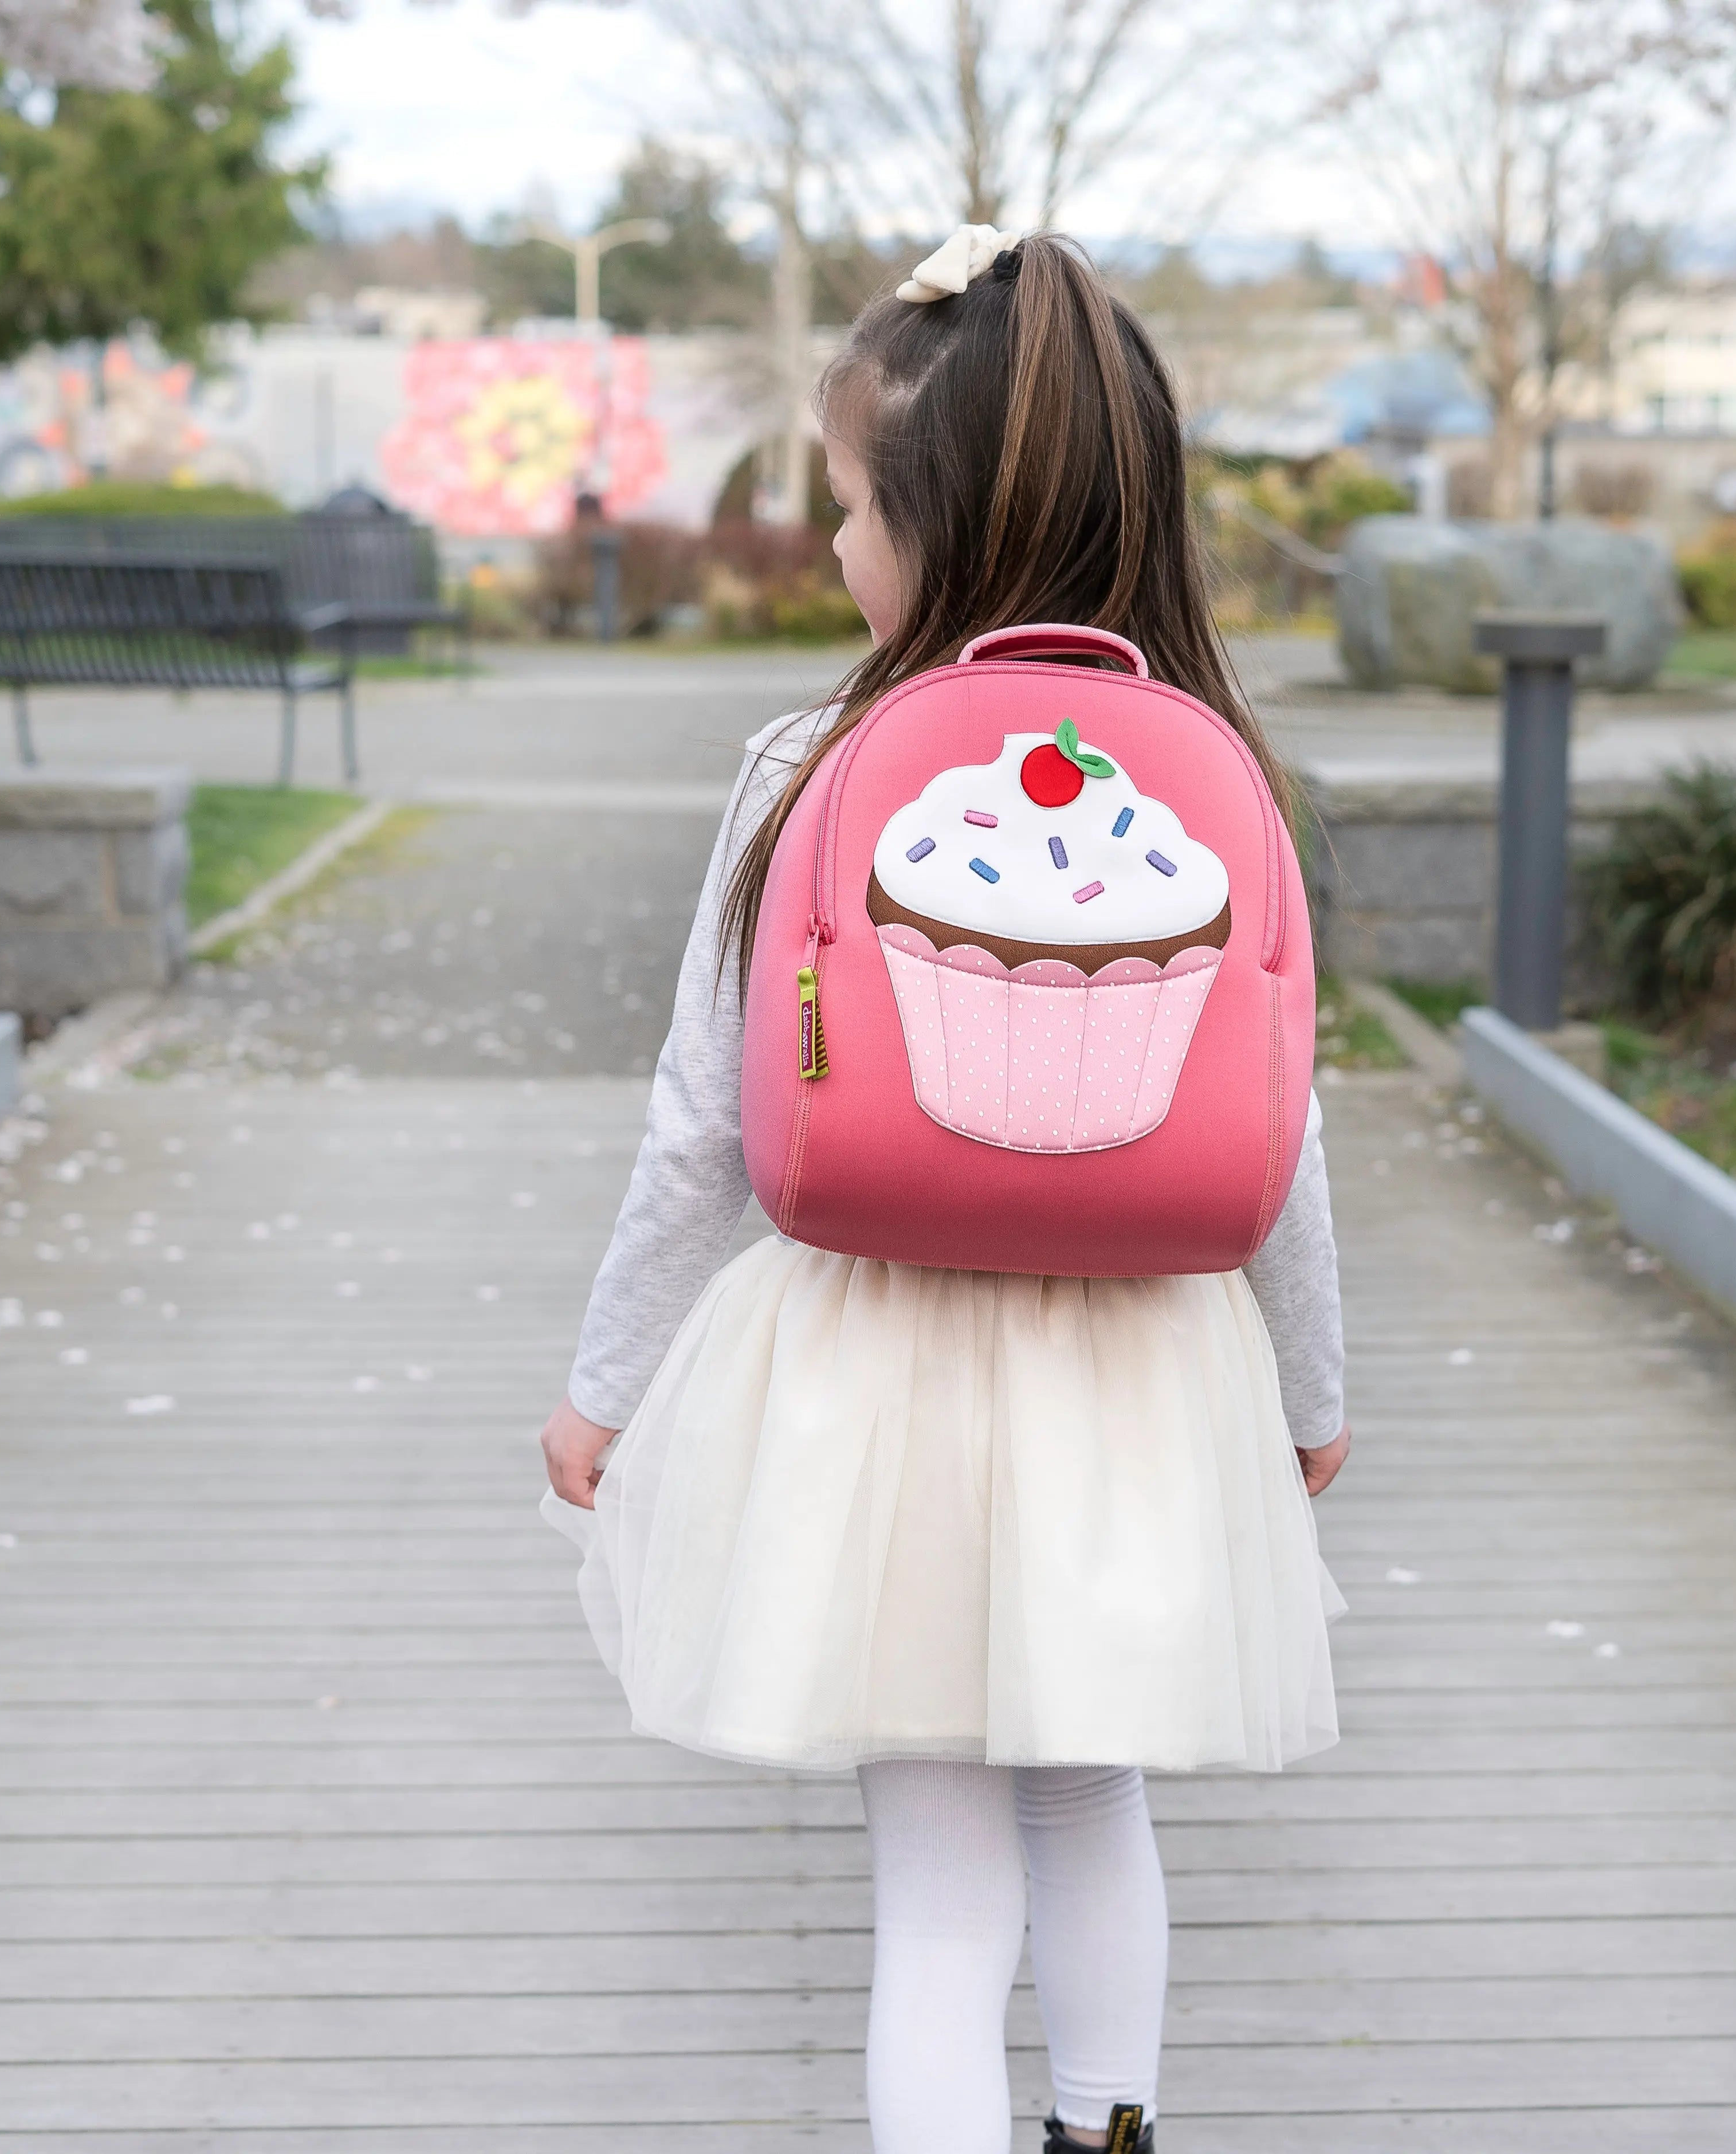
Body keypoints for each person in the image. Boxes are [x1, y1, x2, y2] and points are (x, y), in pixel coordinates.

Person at [540, 225, 1349, 2154]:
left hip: (879, 1369)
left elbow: (706, 1117)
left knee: (935, 1883)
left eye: (845, 504)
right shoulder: (1211, 769)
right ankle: (1106, 2133)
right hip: (1140, 1366)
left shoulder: (809, 759)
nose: (835, 544)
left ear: (928, 523)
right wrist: (1310, 1392)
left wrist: (605, 1382)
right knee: (1092, 1800)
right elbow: (1283, 1124)